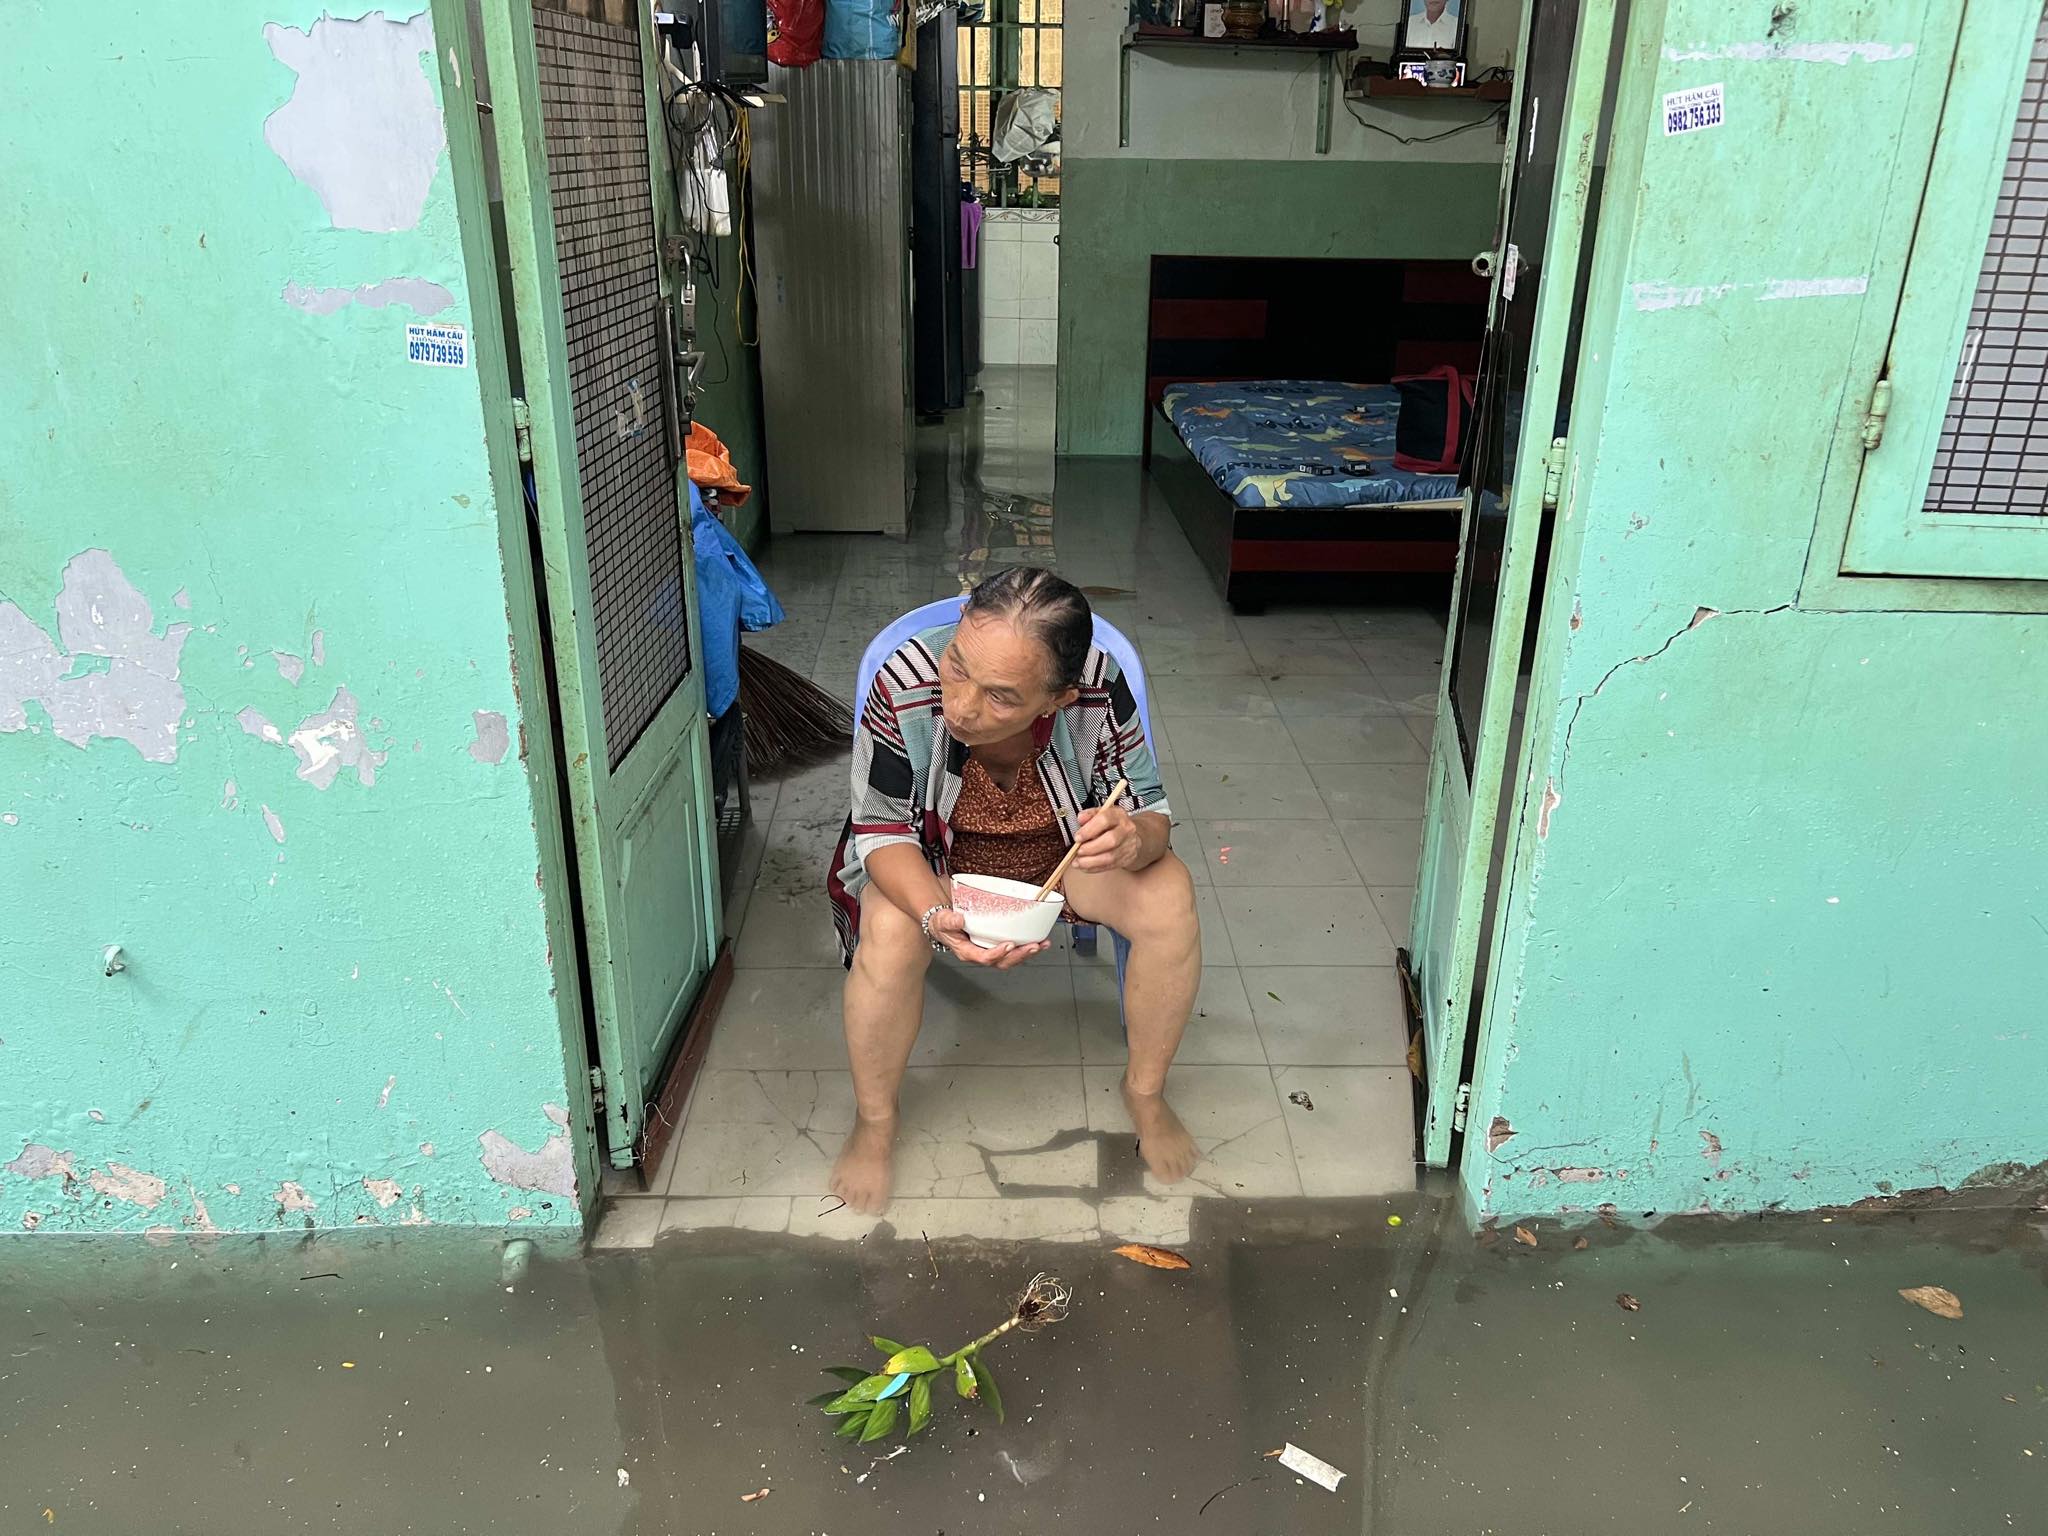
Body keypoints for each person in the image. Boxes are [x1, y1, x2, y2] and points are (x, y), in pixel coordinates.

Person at [825, 569, 1201, 1215]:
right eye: (958, 665)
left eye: (1001, 696)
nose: (962, 706)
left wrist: (1134, 840)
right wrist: (935, 911)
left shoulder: (1098, 685)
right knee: (890, 931)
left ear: (1057, 697)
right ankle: (876, 1120)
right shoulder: (906, 675)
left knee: (1168, 895)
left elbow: (1148, 809)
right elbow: (882, 830)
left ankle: (1144, 1090)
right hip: (939, 861)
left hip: (1066, 860)